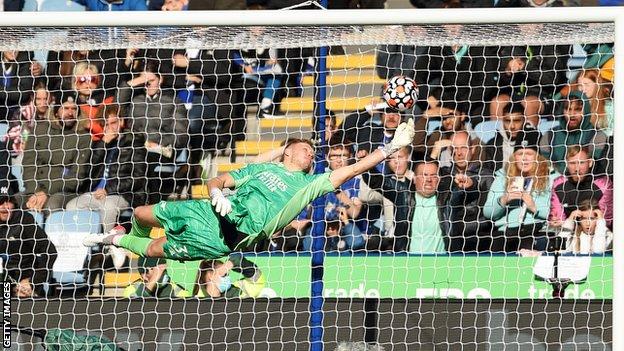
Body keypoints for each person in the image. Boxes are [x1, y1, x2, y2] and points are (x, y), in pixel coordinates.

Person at [83, 119, 416, 261]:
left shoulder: (308, 185)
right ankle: (122, 235)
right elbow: (218, 181)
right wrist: (215, 194)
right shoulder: (262, 168)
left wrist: (387, 149)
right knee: (142, 213)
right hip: (210, 209)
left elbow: (350, 169)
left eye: (312, 152)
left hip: (232, 235)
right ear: (287, 152)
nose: (311, 153)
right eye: (304, 149)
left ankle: (115, 241)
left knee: (156, 249)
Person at [483, 127, 558, 252]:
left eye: (529, 154)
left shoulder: (552, 178)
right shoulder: (502, 177)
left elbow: (559, 214)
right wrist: (504, 200)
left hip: (538, 231)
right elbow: (488, 213)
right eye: (520, 154)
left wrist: (534, 207)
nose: (524, 159)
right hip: (505, 233)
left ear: (538, 156)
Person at [21, 91, 93, 213]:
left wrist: (46, 192)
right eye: (65, 108)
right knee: (12, 203)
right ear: (56, 111)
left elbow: (77, 177)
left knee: (52, 206)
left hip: (63, 191)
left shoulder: (84, 137)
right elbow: (28, 165)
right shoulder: (40, 130)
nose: (70, 113)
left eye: (74, 109)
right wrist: (35, 191)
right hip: (35, 189)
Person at [437, 131, 494, 252]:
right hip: (449, 242)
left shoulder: (486, 176)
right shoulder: (444, 175)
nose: (459, 153)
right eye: (455, 148)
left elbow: (490, 214)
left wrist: (472, 187)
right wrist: (434, 152)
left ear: (472, 149)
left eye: (463, 147)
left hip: (480, 243)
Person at [0, 182, 57, 297]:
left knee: (9, 310)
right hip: (3, 280)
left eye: (9, 202)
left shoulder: (24, 220)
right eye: (0, 202)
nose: (5, 207)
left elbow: (50, 251)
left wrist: (32, 282)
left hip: (22, 282)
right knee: (6, 312)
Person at [540, 91, 608, 174]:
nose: (572, 114)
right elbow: (543, 165)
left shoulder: (598, 136)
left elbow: (594, 167)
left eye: (577, 110)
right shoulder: (550, 135)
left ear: (586, 111)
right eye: (568, 109)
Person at [549, 145, 612, 229]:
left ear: (590, 163)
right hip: (568, 232)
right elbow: (557, 216)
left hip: (597, 234)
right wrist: (556, 221)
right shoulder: (559, 184)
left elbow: (607, 220)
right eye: (572, 163)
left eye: (581, 162)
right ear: (567, 164)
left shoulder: (603, 185)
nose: (577, 168)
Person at [479, 102, 526, 172]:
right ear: (503, 121)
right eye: (508, 121)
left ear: (524, 120)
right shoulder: (493, 145)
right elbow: (487, 172)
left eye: (517, 121)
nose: (512, 126)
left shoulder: (534, 142)